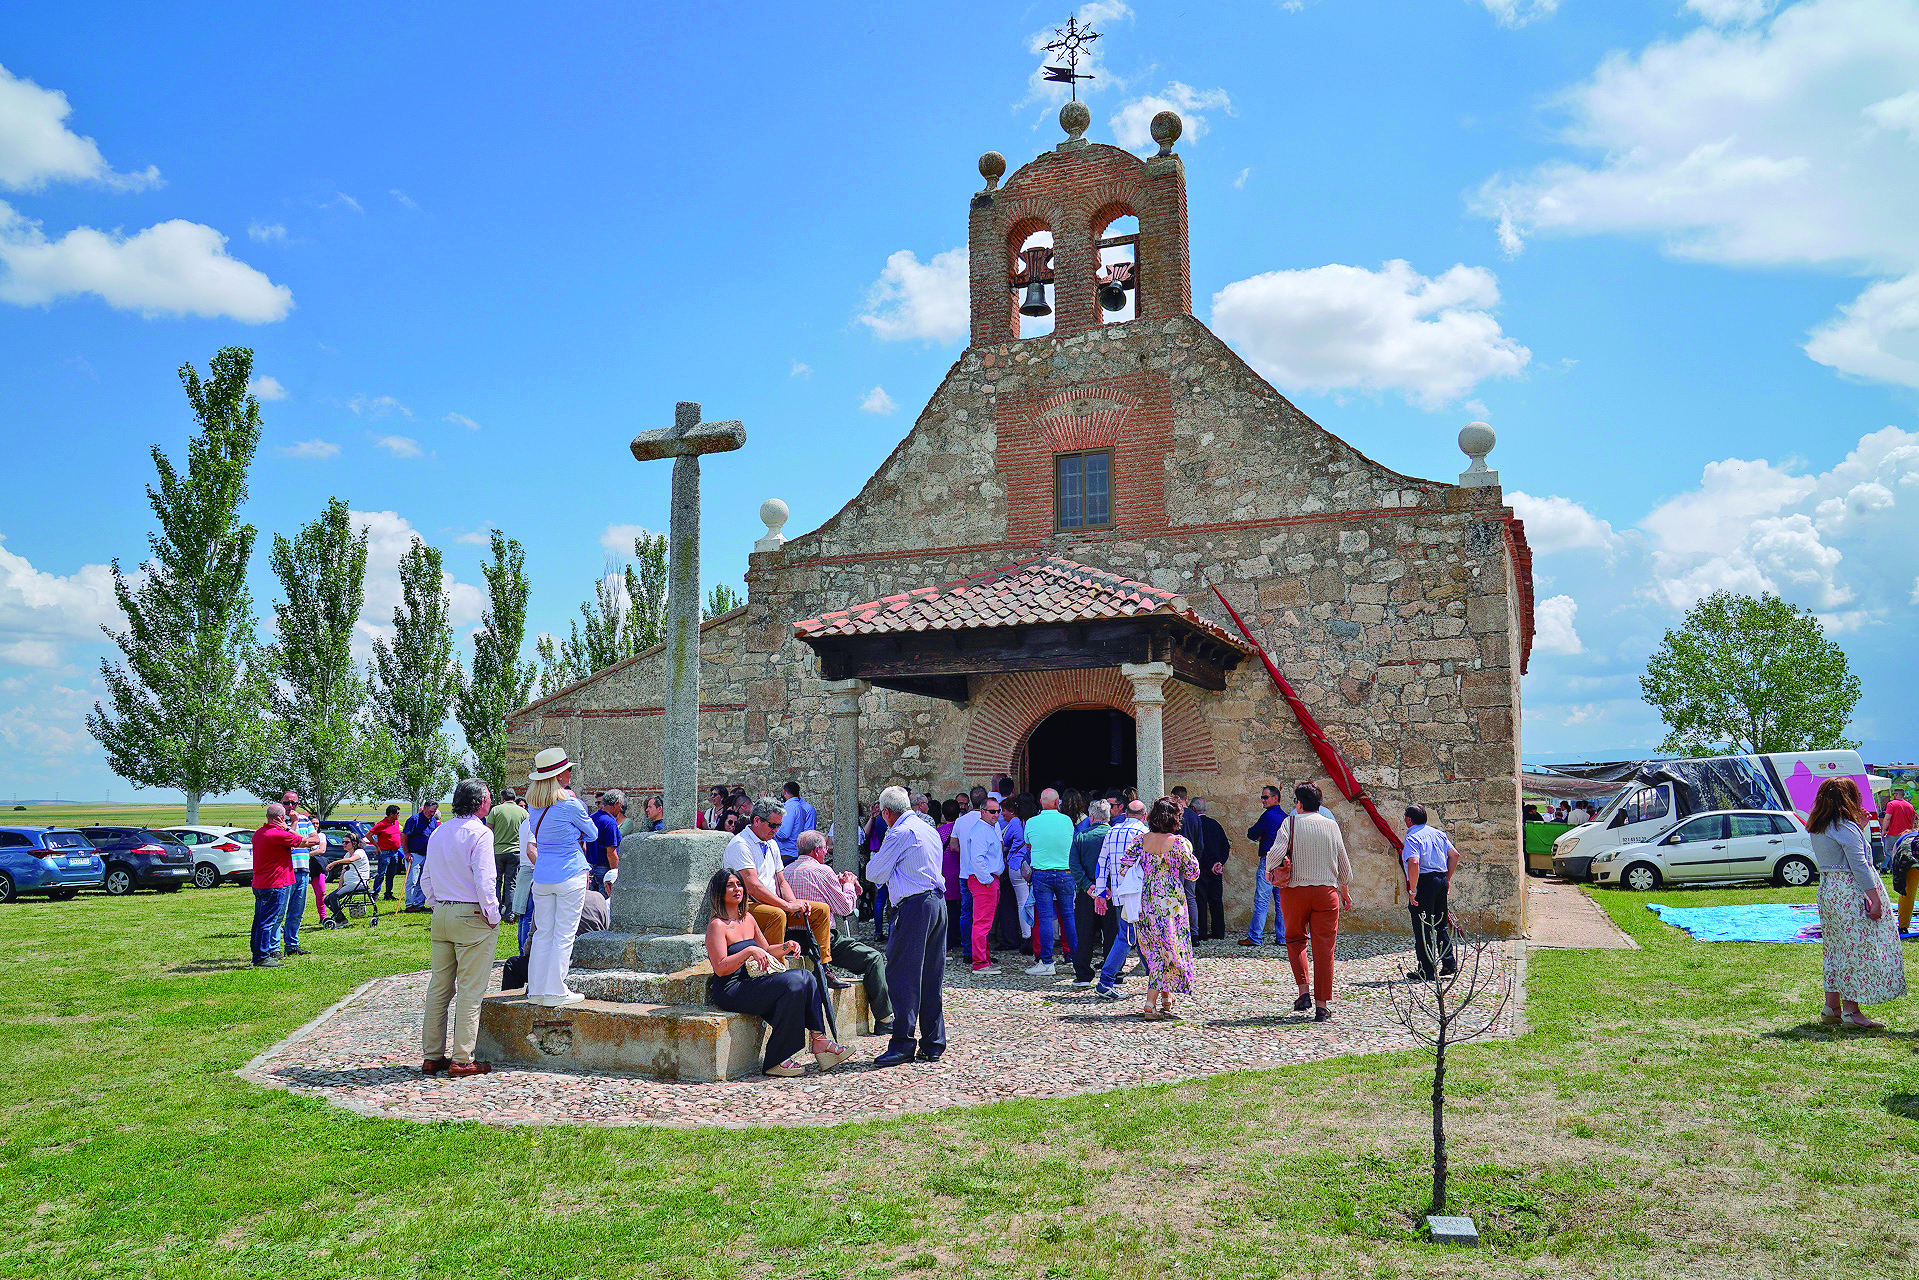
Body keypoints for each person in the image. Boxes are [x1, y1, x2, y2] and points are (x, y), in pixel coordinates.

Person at [704, 870, 850, 1076]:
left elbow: (765, 949)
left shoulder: (747, 918)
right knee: (795, 981)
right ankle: (779, 1058)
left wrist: (786, 946)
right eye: (730, 885)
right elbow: (720, 967)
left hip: (754, 982)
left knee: (805, 978)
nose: (737, 889)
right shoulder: (717, 925)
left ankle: (818, 1039)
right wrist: (749, 951)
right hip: (732, 989)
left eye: (739, 884)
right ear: (719, 892)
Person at [419, 778, 502, 1076]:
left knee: (439, 987)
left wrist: (436, 903)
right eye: (488, 798)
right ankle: (462, 1058)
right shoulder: (480, 834)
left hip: (441, 912)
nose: (490, 803)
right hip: (471, 914)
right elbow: (485, 880)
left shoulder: (439, 832)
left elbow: (425, 878)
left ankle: (432, 1055)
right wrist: (492, 914)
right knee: (470, 989)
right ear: (480, 802)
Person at [1808, 777, 1907, 1029]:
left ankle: (1832, 1007)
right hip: (1850, 891)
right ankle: (1852, 1012)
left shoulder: (1820, 825)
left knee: (1835, 948)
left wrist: (1859, 827)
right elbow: (1860, 864)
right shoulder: (1844, 826)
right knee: (1855, 950)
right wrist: (1874, 899)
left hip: (1829, 889)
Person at [867, 785, 947, 1067]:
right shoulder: (927, 828)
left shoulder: (900, 832)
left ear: (886, 812)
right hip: (936, 902)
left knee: (902, 975)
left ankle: (902, 1043)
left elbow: (874, 872)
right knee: (931, 974)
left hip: (914, 906)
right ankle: (933, 1042)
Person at [721, 797, 841, 983]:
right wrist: (786, 905)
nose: (776, 830)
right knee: (777, 914)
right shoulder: (740, 845)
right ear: (757, 820)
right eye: (772, 825)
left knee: (821, 910)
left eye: (778, 826)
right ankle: (777, 971)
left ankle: (822, 966)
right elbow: (753, 887)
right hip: (744, 906)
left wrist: (795, 904)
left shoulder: (772, 843)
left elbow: (782, 881)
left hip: (768, 902)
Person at [784, 830, 893, 1036]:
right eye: (825, 848)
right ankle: (884, 1019)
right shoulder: (822, 871)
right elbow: (845, 908)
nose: (827, 851)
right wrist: (849, 885)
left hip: (791, 936)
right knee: (873, 958)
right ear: (817, 850)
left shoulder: (786, 871)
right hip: (823, 938)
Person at [1268, 782, 1353, 1022]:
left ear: (1299, 802)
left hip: (1295, 891)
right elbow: (1343, 866)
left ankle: (1303, 991)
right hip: (1326, 892)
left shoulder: (1290, 823)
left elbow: (1275, 854)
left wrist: (1268, 870)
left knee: (1295, 939)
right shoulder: (1331, 826)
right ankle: (1322, 1005)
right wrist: (1344, 891)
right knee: (1325, 947)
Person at [523, 748, 600, 1007]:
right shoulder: (570, 805)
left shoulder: (534, 807)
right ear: (559, 775)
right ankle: (556, 988)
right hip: (569, 873)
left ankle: (536, 989)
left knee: (544, 932)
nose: (570, 773)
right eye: (568, 769)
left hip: (543, 875)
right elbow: (592, 833)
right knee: (564, 933)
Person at [1117, 797, 1201, 1020]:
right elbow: (1193, 873)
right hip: (1172, 904)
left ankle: (1166, 997)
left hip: (1147, 901)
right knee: (1171, 949)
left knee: (1156, 951)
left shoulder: (1140, 840)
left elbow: (1124, 867)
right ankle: (1150, 1001)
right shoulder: (1179, 843)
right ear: (1175, 818)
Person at [1093, 799, 1151, 1000]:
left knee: (1136, 935)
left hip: (1120, 894)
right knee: (1129, 936)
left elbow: (1102, 863)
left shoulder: (1112, 832)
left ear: (1126, 814)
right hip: (1140, 894)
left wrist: (1100, 892)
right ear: (1144, 816)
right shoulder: (1145, 834)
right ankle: (1106, 981)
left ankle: (1155, 977)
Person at [249, 803, 319, 967]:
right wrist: (289, 827)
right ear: (281, 818)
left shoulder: (259, 833)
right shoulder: (279, 835)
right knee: (268, 921)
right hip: (275, 883)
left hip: (260, 883)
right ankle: (261, 957)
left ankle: (258, 951)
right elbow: (305, 842)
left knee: (259, 920)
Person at [1023, 788, 1078, 976]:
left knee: (1045, 918)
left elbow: (1028, 846)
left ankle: (1047, 962)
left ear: (1040, 802)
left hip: (1042, 873)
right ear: (1057, 803)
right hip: (1065, 872)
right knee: (1068, 917)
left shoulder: (1031, 822)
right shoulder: (1067, 821)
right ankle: (1076, 959)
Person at [1399, 804, 1458, 981]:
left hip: (1424, 882)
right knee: (1440, 923)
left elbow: (1414, 863)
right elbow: (1454, 855)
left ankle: (1426, 969)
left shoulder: (1412, 837)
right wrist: (1447, 878)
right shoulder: (1438, 834)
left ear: (1409, 819)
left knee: (1422, 927)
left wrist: (1413, 889)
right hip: (1440, 879)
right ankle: (1448, 962)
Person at [954, 788, 1006, 974]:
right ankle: (980, 963)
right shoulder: (980, 831)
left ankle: (985, 959)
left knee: (984, 922)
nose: (996, 814)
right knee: (982, 923)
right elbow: (977, 859)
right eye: (992, 811)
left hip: (988, 879)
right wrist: (987, 880)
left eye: (998, 811)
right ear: (982, 812)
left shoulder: (987, 829)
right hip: (984, 880)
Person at [1070, 799, 1115, 987]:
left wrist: (1089, 886)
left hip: (1086, 893)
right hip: (1111, 893)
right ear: (1108, 817)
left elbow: (1073, 864)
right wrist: (1109, 887)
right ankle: (1114, 972)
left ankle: (1083, 974)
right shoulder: (1114, 836)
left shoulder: (1081, 837)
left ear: (1092, 817)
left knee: (1085, 933)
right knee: (1112, 933)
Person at [1240, 784, 1287, 947]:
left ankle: (1255, 937)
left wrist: (1261, 836)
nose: (1262, 800)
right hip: (1282, 862)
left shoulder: (1268, 816)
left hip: (1268, 861)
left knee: (1262, 900)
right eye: (1262, 797)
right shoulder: (1286, 818)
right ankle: (1282, 937)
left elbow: (1252, 833)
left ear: (1275, 798)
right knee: (1281, 902)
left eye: (1265, 797)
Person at [278, 791, 320, 954]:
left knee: (296, 911)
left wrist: (299, 839)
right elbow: (287, 843)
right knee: (280, 911)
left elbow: (316, 841)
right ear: (281, 804)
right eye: (287, 803)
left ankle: (291, 946)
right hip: (286, 870)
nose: (290, 806)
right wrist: (293, 826)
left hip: (303, 870)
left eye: (293, 803)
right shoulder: (278, 820)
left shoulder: (305, 820)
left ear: (298, 804)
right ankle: (274, 949)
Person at [1191, 798, 1229, 940]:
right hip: (1216, 868)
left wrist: (1209, 864)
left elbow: (1200, 848)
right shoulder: (1215, 825)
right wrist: (1220, 862)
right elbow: (1226, 846)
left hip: (1202, 867)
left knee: (1200, 900)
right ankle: (1219, 931)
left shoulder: (1197, 825)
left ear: (1193, 809)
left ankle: (1201, 932)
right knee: (1216, 900)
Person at [488, 787, 528, 922]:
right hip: (515, 851)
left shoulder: (496, 810)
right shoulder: (523, 812)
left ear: (502, 798)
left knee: (496, 882)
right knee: (511, 883)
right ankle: (510, 914)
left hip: (498, 851)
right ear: (515, 798)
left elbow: (488, 829)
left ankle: (495, 911)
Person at [320, 833, 372, 925]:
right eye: (343, 842)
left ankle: (341, 920)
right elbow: (343, 871)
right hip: (348, 884)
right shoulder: (347, 854)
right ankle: (341, 918)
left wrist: (334, 863)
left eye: (346, 842)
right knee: (327, 900)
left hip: (359, 883)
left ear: (354, 843)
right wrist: (340, 886)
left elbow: (351, 860)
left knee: (334, 897)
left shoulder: (359, 852)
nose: (344, 844)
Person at [402, 799, 439, 913]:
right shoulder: (414, 819)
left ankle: (419, 903)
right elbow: (404, 835)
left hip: (428, 855)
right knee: (412, 880)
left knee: (423, 880)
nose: (432, 814)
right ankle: (410, 904)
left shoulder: (433, 821)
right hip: (415, 854)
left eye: (434, 812)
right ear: (425, 808)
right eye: (431, 811)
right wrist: (406, 852)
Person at [938, 798, 963, 953]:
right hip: (961, 872)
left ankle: (948, 944)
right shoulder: (962, 829)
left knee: (949, 911)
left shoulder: (939, 832)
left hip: (945, 874)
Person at [588, 790, 624, 894]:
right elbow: (611, 853)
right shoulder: (610, 822)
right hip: (604, 870)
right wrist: (616, 873)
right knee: (605, 905)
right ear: (616, 804)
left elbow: (583, 844)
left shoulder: (592, 818)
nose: (620, 809)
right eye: (620, 806)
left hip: (590, 868)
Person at [771, 781, 817, 861]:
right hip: (794, 852)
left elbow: (784, 834)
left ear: (784, 792)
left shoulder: (790, 807)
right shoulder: (800, 807)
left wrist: (772, 829)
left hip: (787, 853)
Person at [370, 804, 404, 899]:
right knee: (381, 874)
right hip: (385, 852)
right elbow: (369, 834)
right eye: (397, 813)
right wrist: (377, 846)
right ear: (391, 814)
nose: (399, 815)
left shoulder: (395, 823)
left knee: (391, 874)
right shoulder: (381, 824)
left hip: (395, 852)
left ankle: (388, 894)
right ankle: (375, 894)